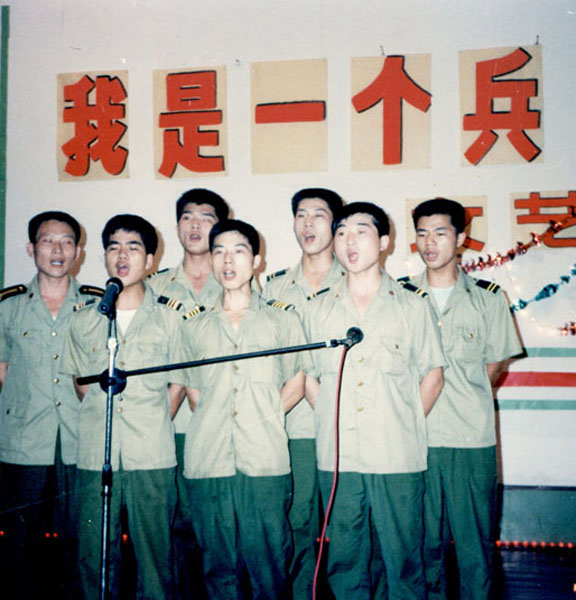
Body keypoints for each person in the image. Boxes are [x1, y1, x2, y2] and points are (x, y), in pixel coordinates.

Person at [304, 202, 445, 600]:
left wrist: (401, 423)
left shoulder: (412, 306)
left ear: (384, 242)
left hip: (396, 457)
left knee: (403, 561)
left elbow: (433, 376)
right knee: (345, 562)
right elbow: (310, 378)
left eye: (361, 232)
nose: (349, 242)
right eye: (342, 233)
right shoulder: (318, 309)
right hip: (339, 459)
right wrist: (333, 418)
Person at [171, 219, 309, 600]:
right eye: (219, 252)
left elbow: (296, 383)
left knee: (270, 567)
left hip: (264, 461)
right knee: (218, 569)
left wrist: (262, 418)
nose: (228, 261)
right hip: (208, 461)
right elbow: (194, 393)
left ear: (257, 260)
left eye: (238, 251)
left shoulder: (283, 319)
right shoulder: (193, 326)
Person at [61, 214, 182, 600]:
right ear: (104, 256)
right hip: (96, 453)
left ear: (150, 260)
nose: (122, 255)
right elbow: (81, 385)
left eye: (133, 247)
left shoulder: (169, 318)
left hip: (152, 455)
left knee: (155, 556)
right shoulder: (84, 320)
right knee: (95, 555)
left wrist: (150, 421)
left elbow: (178, 384)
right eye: (113, 247)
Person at [406, 198, 523, 600]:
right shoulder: (402, 297)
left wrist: (463, 399)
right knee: (424, 545)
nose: (429, 242)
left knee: (475, 547)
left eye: (440, 233)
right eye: (422, 233)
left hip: (470, 440)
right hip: (416, 439)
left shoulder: (488, 298)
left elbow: (495, 365)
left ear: (460, 238)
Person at [0, 211, 101, 599]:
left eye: (66, 242)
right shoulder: (8, 306)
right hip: (24, 442)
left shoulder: (96, 305)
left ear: (78, 251)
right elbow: (3, 371)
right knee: (21, 544)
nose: (57, 249)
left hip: (81, 440)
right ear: (31, 249)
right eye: (47, 241)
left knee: (80, 541)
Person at [263, 187, 344, 599]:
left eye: (319, 214)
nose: (308, 223)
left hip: (346, 430)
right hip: (293, 428)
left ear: (336, 224)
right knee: (295, 525)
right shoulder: (273, 288)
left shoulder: (355, 281)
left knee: (349, 528)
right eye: (301, 214)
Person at [148, 188, 229, 599]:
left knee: (216, 529)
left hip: (218, 429)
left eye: (206, 217)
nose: (195, 225)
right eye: (187, 217)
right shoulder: (152, 286)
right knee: (167, 530)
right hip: (164, 428)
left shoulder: (236, 282)